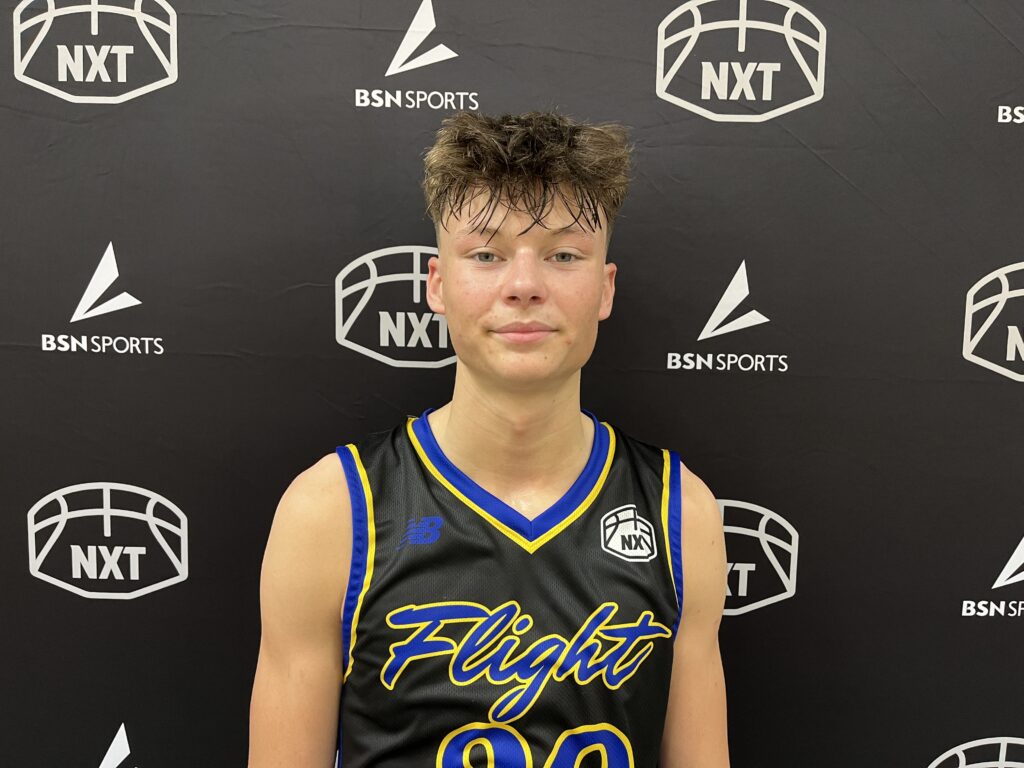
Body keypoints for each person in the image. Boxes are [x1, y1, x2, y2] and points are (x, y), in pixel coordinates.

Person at [248, 110, 730, 767]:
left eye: (564, 255)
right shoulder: (333, 510)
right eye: (486, 254)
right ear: (438, 285)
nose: (524, 286)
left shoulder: (680, 511)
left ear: (604, 288)